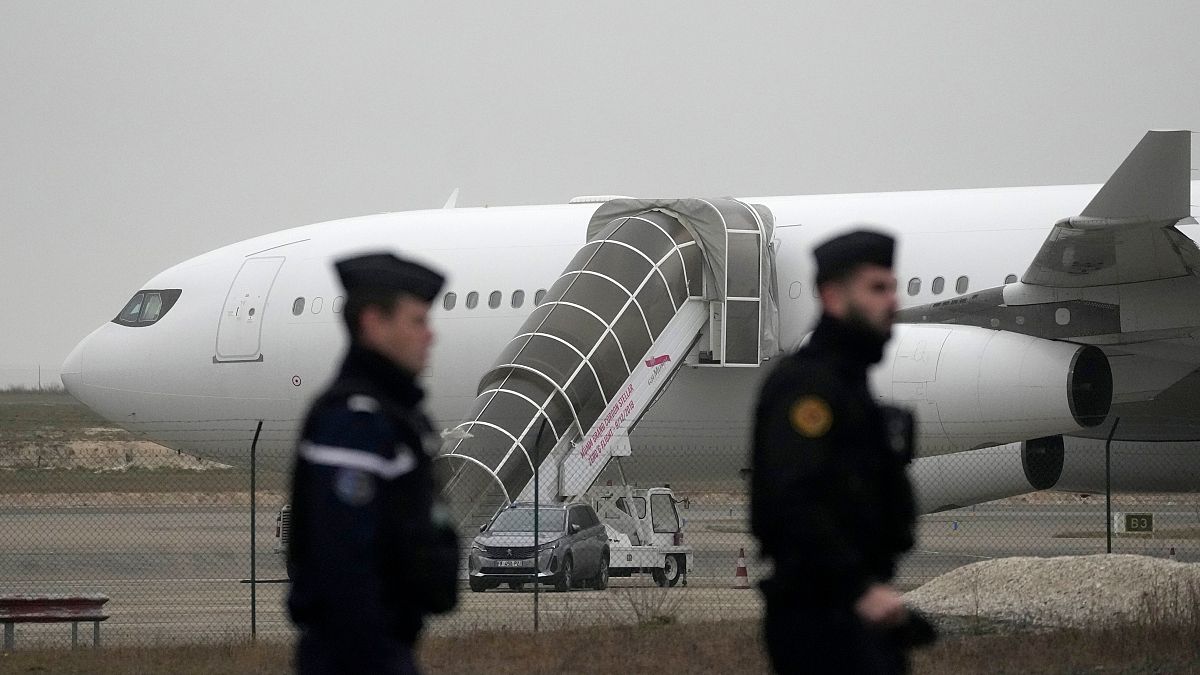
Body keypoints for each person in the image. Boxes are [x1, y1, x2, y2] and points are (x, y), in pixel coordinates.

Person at [750, 230, 926, 674]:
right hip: (821, 617)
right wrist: (858, 591)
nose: (892, 301)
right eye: (876, 289)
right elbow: (792, 502)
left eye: (893, 287)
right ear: (832, 297)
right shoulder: (808, 388)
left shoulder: (850, 385)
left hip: (853, 610)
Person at [287, 252, 459, 675]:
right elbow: (344, 560)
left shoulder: (395, 416)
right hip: (357, 654)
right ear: (373, 324)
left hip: (384, 646)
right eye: (417, 321)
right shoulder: (354, 422)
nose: (430, 336)